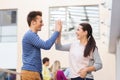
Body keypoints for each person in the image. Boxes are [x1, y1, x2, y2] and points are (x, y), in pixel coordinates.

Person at [21, 11, 62, 80]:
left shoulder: (33, 35)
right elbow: (46, 45)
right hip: (30, 73)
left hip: (33, 72)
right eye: (40, 22)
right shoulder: (30, 35)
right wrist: (57, 31)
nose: (42, 24)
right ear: (33, 22)